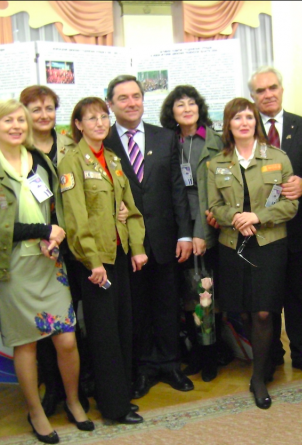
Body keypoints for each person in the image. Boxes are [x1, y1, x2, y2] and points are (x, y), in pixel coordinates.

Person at [0, 99, 91, 443]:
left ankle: (73, 401)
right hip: (13, 267)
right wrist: (43, 230)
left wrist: (56, 234)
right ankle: (36, 412)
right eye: (8, 121)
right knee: (27, 345)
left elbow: (54, 207)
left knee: (66, 339)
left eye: (21, 120)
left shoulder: (40, 161)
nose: (16, 126)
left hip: (49, 262)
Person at [20, 85, 111, 416]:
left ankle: (82, 384)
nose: (44, 115)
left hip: (79, 244)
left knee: (81, 319)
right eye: (36, 109)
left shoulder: (72, 145)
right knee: (49, 323)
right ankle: (53, 388)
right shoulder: (19, 150)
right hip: (43, 245)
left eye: (49, 108)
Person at [58, 97, 148, 425]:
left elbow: (130, 208)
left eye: (103, 117)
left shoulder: (111, 159)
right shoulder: (72, 161)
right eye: (91, 118)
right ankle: (113, 407)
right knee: (104, 335)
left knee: (123, 328)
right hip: (95, 263)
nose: (99, 123)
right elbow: (75, 217)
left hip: (118, 255)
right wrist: (91, 260)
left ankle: (121, 397)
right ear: (78, 125)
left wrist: (137, 246)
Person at [104, 75, 194, 398]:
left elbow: (177, 189)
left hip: (166, 239)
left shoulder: (165, 137)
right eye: (123, 98)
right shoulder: (104, 141)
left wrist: (185, 234)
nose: (131, 103)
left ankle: (170, 364)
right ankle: (144, 368)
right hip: (127, 243)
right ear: (110, 104)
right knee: (137, 308)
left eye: (136, 96)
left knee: (168, 305)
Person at [207, 98, 298, 409]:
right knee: (244, 311)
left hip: (269, 243)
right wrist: (235, 218)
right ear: (228, 125)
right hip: (232, 245)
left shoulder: (278, 158)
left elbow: (290, 205)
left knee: (263, 311)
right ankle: (265, 359)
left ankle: (258, 378)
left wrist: (257, 216)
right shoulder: (216, 163)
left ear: (256, 122)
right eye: (237, 118)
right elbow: (214, 206)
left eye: (249, 117)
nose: (243, 123)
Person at [249, 66, 302, 378]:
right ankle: (270, 356)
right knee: (266, 299)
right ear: (252, 96)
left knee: (299, 294)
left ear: (281, 89)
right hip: (258, 230)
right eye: (260, 90)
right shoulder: (246, 125)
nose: (268, 94)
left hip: (294, 227)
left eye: (273, 88)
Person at [159, 85, 228, 382]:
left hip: (206, 226)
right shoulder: (166, 141)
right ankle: (195, 355)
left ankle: (211, 355)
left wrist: (199, 232)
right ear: (171, 112)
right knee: (186, 295)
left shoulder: (215, 141)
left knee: (206, 293)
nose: (187, 109)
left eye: (191, 103)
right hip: (177, 229)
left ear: (200, 108)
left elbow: (213, 192)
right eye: (180, 105)